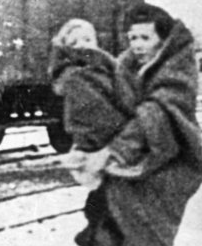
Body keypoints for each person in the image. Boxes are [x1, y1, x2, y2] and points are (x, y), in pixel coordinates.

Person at [69, 4, 202, 246]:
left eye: (146, 37)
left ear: (163, 39)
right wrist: (84, 147)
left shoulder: (177, 73)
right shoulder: (125, 67)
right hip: (126, 183)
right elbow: (113, 113)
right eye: (132, 38)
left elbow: (154, 117)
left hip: (163, 181)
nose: (138, 45)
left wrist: (110, 152)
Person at [50, 18, 139, 191]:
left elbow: (124, 95)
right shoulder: (76, 76)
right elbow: (97, 111)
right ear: (67, 49)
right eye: (74, 43)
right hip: (99, 144)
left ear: (96, 42)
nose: (82, 45)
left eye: (87, 40)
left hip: (109, 143)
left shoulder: (107, 67)